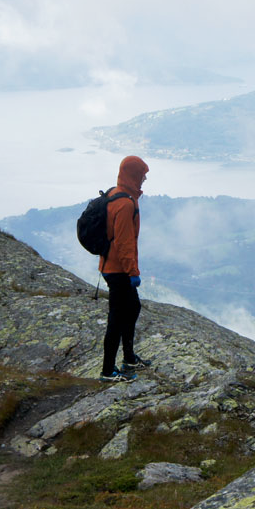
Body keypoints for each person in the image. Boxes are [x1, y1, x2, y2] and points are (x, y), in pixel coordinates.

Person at [100, 155, 151, 381]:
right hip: (118, 269)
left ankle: (129, 359)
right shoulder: (125, 203)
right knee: (117, 319)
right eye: (142, 175)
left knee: (133, 308)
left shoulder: (117, 194)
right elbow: (124, 243)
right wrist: (133, 272)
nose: (144, 179)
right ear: (133, 175)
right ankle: (108, 371)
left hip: (112, 265)